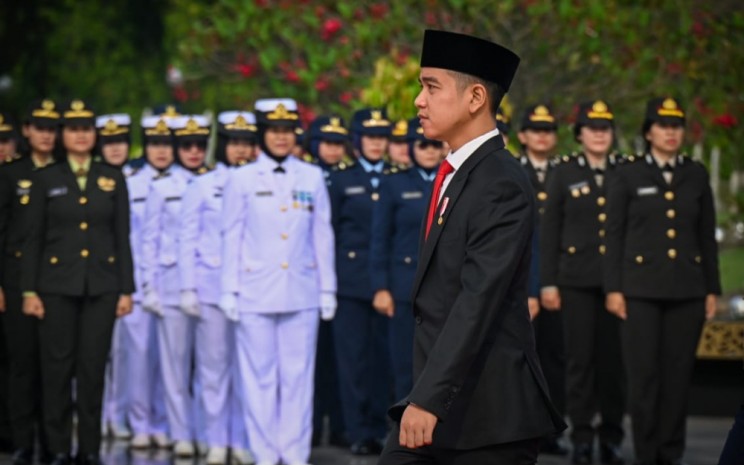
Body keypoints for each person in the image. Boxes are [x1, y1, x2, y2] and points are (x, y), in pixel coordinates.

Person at [378, 29, 565, 465]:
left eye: (431, 86)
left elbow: (476, 302)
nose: (418, 101)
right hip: (441, 404)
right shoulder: (459, 173)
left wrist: (426, 399)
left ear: (476, 97)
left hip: (489, 420)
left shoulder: (499, 182)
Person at [604, 97, 721, 465]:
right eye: (663, 125)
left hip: (687, 290)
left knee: (677, 378)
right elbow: (615, 235)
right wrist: (614, 288)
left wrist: (712, 288)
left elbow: (706, 236)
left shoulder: (696, 174)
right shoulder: (628, 174)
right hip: (639, 292)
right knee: (644, 380)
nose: (671, 132)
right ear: (649, 132)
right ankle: (647, 452)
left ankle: (671, 454)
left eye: (676, 125)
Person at [220, 98, 336, 465]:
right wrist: (229, 288)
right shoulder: (241, 178)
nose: (282, 138)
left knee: (298, 380)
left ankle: (295, 454)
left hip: (301, 291)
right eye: (274, 131)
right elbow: (231, 235)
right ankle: (265, 454)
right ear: (263, 134)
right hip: (255, 291)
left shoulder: (312, 176)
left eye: (287, 131)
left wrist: (327, 288)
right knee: (259, 380)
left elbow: (323, 235)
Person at [20, 99, 134, 465]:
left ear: (94, 135)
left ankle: (88, 449)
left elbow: (121, 237)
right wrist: (29, 289)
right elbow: (32, 239)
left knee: (92, 372)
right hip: (55, 286)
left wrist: (126, 289)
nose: (81, 136)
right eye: (74, 129)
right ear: (63, 135)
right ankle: (56, 449)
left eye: (87, 129)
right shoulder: (46, 179)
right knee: (56, 371)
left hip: (101, 287)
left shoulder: (112, 178)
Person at [540, 100, 625, 465]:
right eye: (592, 128)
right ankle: (582, 438)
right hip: (574, 281)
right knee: (578, 363)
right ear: (579, 134)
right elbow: (550, 231)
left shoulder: (625, 172)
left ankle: (611, 437)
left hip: (617, 283)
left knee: (613, 364)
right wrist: (548, 282)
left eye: (605, 129)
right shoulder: (564, 172)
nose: (599, 134)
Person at [179, 110, 256, 465]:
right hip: (210, 288)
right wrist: (187, 288)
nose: (240, 150)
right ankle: (214, 439)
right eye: (234, 142)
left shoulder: (261, 180)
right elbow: (188, 237)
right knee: (213, 369)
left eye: (246, 142)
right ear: (223, 144)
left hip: (252, 288)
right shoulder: (203, 184)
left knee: (248, 369)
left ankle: (242, 439)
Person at [141, 114, 210, 457]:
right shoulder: (162, 187)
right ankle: (181, 432)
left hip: (209, 287)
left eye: (200, 145)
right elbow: (149, 241)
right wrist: (148, 287)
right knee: (175, 366)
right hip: (170, 287)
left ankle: (207, 432)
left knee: (210, 369)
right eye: (187, 145)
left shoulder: (217, 182)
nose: (194, 151)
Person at [327, 107, 393, 456]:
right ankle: (355, 429)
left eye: (381, 137)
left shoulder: (398, 176)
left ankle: (379, 427)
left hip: (388, 285)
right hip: (350, 282)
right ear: (357, 141)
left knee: (383, 358)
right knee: (352, 360)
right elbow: (330, 232)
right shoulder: (341, 179)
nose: (376, 144)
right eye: (369, 137)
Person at [0, 99, 58, 465]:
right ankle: (21, 440)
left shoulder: (67, 172)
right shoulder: (9, 174)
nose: (45, 134)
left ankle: (53, 442)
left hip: (57, 281)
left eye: (51, 128)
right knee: (21, 364)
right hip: (16, 278)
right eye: (39, 126)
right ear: (27, 131)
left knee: (55, 365)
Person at [369, 118, 443, 403]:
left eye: (434, 145)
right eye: (422, 144)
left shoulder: (451, 180)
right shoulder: (393, 183)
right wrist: (380, 287)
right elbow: (380, 238)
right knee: (403, 362)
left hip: (441, 285)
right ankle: (402, 431)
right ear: (411, 147)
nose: (428, 150)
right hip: (403, 286)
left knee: (439, 361)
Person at [517, 102, 569, 456]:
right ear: (522, 136)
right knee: (520, 360)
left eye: (548, 130)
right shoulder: (512, 171)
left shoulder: (563, 173)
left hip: (561, 281)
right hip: (520, 282)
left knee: (556, 358)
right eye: (535, 130)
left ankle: (552, 430)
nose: (542, 136)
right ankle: (520, 431)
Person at [123, 115, 173, 450]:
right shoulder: (131, 183)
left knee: (170, 362)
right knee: (139, 358)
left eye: (166, 145)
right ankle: (140, 422)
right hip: (139, 284)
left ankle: (165, 421)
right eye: (154, 144)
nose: (160, 151)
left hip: (173, 284)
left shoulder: (189, 182)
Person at [306, 115, 350, 448]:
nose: (333, 150)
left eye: (338, 143)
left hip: (342, 280)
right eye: (327, 142)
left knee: (339, 359)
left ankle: (338, 426)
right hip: (306, 277)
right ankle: (308, 426)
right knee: (311, 359)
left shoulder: (347, 177)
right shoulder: (305, 176)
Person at [96, 113, 134, 441]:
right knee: (93, 351)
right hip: (96, 275)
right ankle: (92, 412)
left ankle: (118, 414)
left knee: (125, 354)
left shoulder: (138, 178)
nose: (115, 148)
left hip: (130, 278)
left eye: (120, 141)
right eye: (108, 142)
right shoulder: (92, 179)